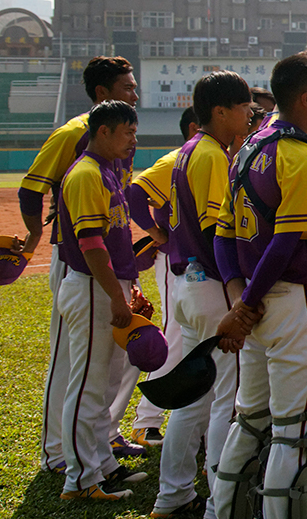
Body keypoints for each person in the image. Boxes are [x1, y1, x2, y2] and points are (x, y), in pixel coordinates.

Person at [202, 50, 307, 519]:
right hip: (288, 302)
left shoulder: (247, 149)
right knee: (295, 430)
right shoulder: (298, 154)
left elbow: (221, 234)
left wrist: (240, 299)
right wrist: (248, 301)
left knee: (249, 420)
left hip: (257, 304)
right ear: (306, 98)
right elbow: (289, 241)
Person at [18, 56, 140, 474]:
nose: (135, 94)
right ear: (102, 94)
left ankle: (99, 442)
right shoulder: (75, 134)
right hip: (77, 257)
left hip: (107, 258)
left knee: (106, 363)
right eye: (127, 87)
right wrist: (34, 237)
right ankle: (58, 451)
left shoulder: (120, 138)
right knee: (69, 358)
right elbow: (30, 188)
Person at [150, 72, 253, 519]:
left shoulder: (191, 150)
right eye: (244, 108)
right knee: (225, 400)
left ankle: (172, 494)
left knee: (194, 397)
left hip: (188, 284)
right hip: (211, 286)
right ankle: (220, 506)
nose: (250, 115)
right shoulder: (210, 154)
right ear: (220, 111)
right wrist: (236, 292)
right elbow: (217, 233)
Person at [54, 100, 146, 501]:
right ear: (103, 131)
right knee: (89, 383)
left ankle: (102, 464)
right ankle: (80, 479)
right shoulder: (87, 173)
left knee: (106, 380)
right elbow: (92, 247)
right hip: (92, 286)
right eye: (126, 132)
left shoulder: (107, 171)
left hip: (108, 286)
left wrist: (130, 287)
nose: (133, 140)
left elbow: (116, 238)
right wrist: (115, 295)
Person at [120, 106, 200, 450]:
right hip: (173, 263)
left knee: (187, 337)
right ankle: (146, 420)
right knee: (175, 335)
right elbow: (135, 195)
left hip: (191, 264)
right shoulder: (179, 158)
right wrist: (157, 234)